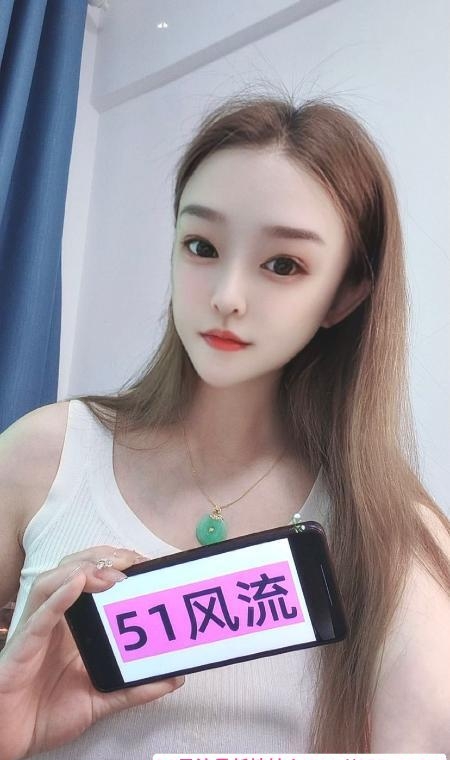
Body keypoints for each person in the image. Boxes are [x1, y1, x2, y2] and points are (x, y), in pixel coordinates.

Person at [0, 92, 449, 758]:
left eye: (283, 265)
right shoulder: (42, 455)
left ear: (346, 293)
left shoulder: (396, 537)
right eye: (202, 246)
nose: (227, 296)